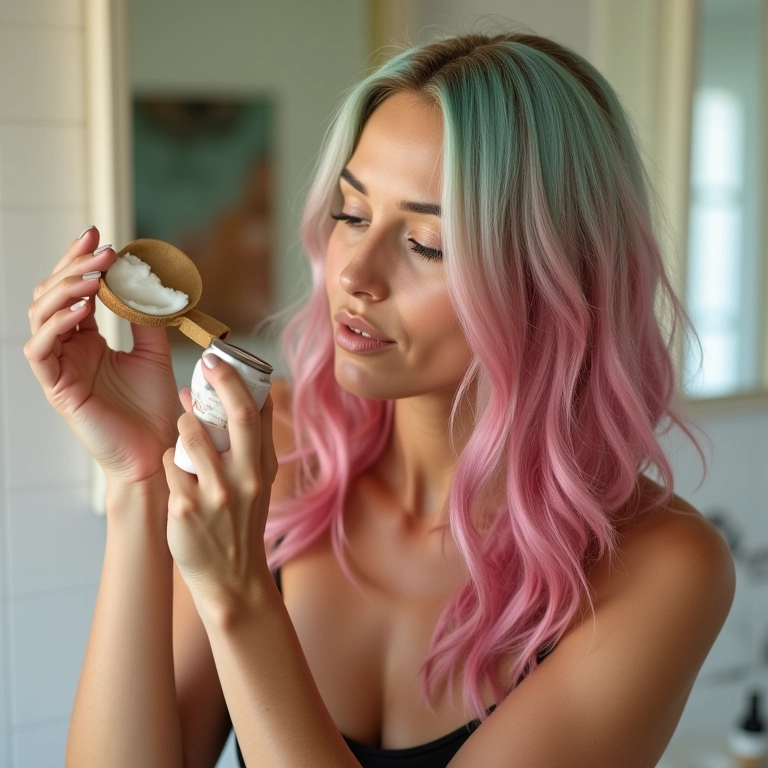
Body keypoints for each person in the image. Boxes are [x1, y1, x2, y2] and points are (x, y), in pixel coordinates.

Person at [25, 31, 735, 768]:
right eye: (352, 214)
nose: (355, 273)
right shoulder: (283, 450)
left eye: (426, 243)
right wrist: (141, 484)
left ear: (554, 280)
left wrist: (240, 599)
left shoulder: (660, 567)